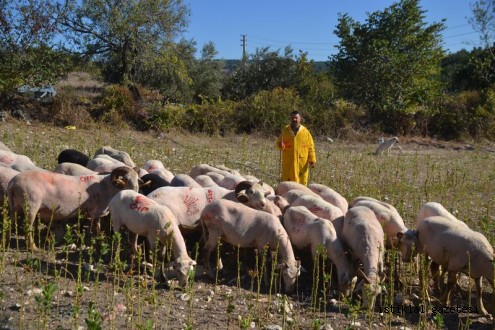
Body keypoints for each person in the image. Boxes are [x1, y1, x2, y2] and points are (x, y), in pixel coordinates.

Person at [276, 111, 316, 185]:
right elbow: (279, 143)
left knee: (301, 184)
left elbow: (310, 147)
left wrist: (312, 160)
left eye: (296, 118)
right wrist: (281, 145)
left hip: (301, 163)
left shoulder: (305, 132)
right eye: (292, 118)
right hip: (288, 162)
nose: (294, 119)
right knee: (287, 184)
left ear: (300, 119)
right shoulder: (286, 131)